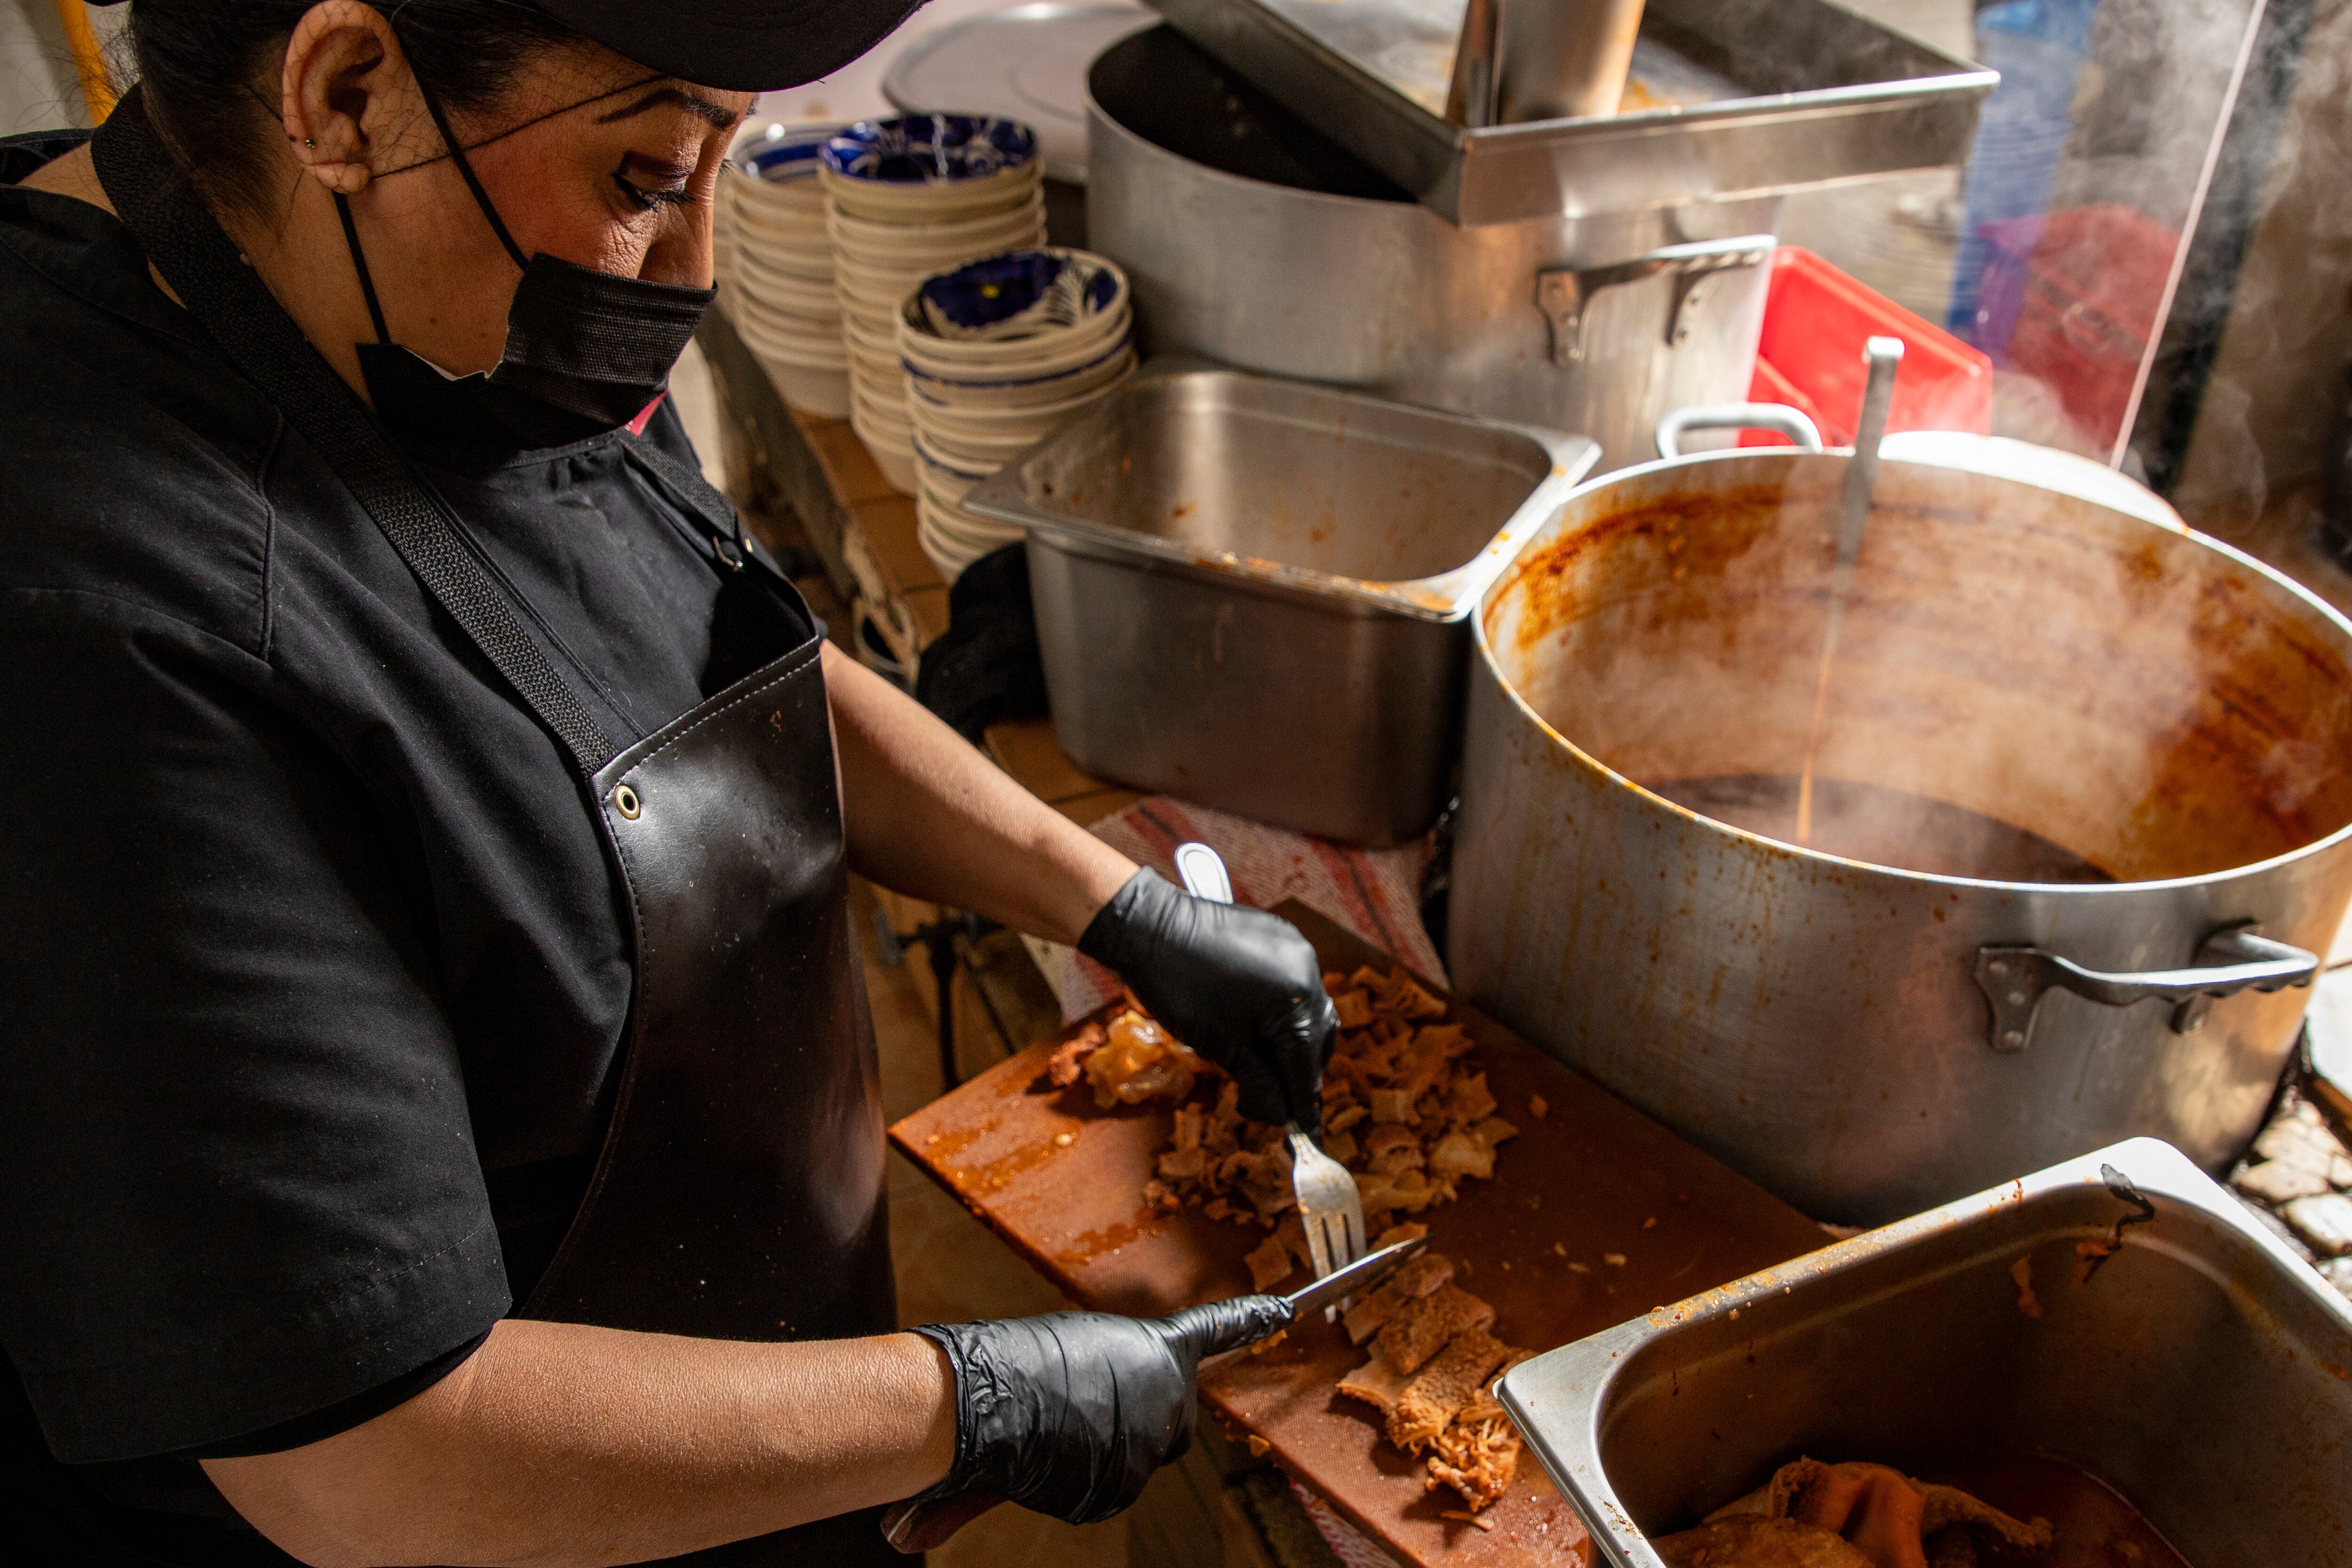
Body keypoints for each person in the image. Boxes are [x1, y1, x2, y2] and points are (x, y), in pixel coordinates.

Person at [0, 0, 1339, 1561]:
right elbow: (358, 1452)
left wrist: (1107, 904)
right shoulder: (108, 635)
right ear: (349, 94)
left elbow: (706, 654)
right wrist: (963, 1405)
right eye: (646, 177)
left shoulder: (398, 293)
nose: (693, 263)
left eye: (723, 159)